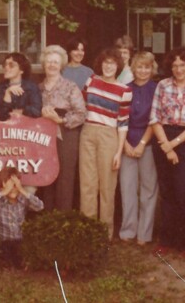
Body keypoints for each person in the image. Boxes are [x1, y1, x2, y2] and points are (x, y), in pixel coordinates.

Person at [149, 47, 185, 261]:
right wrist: (166, 144)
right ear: (170, 67)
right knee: (167, 192)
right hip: (163, 136)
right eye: (174, 65)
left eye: (182, 65)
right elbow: (154, 118)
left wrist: (173, 145)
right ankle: (166, 241)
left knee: (184, 191)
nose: (179, 69)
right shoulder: (162, 86)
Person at [79, 48, 132, 240]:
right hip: (87, 133)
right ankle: (89, 232)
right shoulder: (91, 81)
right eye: (105, 62)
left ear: (118, 66)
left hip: (109, 137)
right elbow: (80, 106)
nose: (108, 66)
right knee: (87, 184)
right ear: (101, 64)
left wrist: (119, 152)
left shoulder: (124, 91)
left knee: (107, 186)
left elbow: (123, 123)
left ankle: (105, 234)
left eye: (112, 63)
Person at [39, 45, 86, 211]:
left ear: (61, 65)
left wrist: (60, 119)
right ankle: (47, 218)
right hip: (43, 137)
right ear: (44, 64)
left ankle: (64, 218)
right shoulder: (38, 88)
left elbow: (81, 114)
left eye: (55, 62)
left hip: (67, 135)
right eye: (49, 62)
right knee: (46, 175)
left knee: (65, 176)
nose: (52, 65)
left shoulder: (70, 86)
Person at [119, 51, 159, 246]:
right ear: (133, 68)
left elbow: (156, 119)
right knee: (127, 188)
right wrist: (125, 143)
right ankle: (128, 230)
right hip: (127, 142)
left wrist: (142, 143)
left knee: (148, 189)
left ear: (152, 69)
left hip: (148, 143)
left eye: (147, 67)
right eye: (140, 67)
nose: (143, 71)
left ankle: (144, 233)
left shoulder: (157, 89)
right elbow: (119, 118)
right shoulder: (125, 89)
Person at [0, 167, 44, 268]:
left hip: (19, 240)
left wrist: (22, 190)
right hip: (2, 240)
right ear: (2, 186)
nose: (12, 188)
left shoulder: (22, 200)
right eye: (10, 185)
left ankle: (19, 266)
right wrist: (4, 192)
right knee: (2, 258)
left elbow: (40, 206)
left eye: (15, 185)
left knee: (20, 257)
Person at [0, 52, 42, 121]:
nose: (6, 67)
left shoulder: (31, 87)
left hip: (26, 128)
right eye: (5, 64)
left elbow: (36, 111)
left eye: (11, 65)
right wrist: (7, 93)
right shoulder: (1, 87)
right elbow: (0, 116)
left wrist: (18, 111)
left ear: (21, 70)